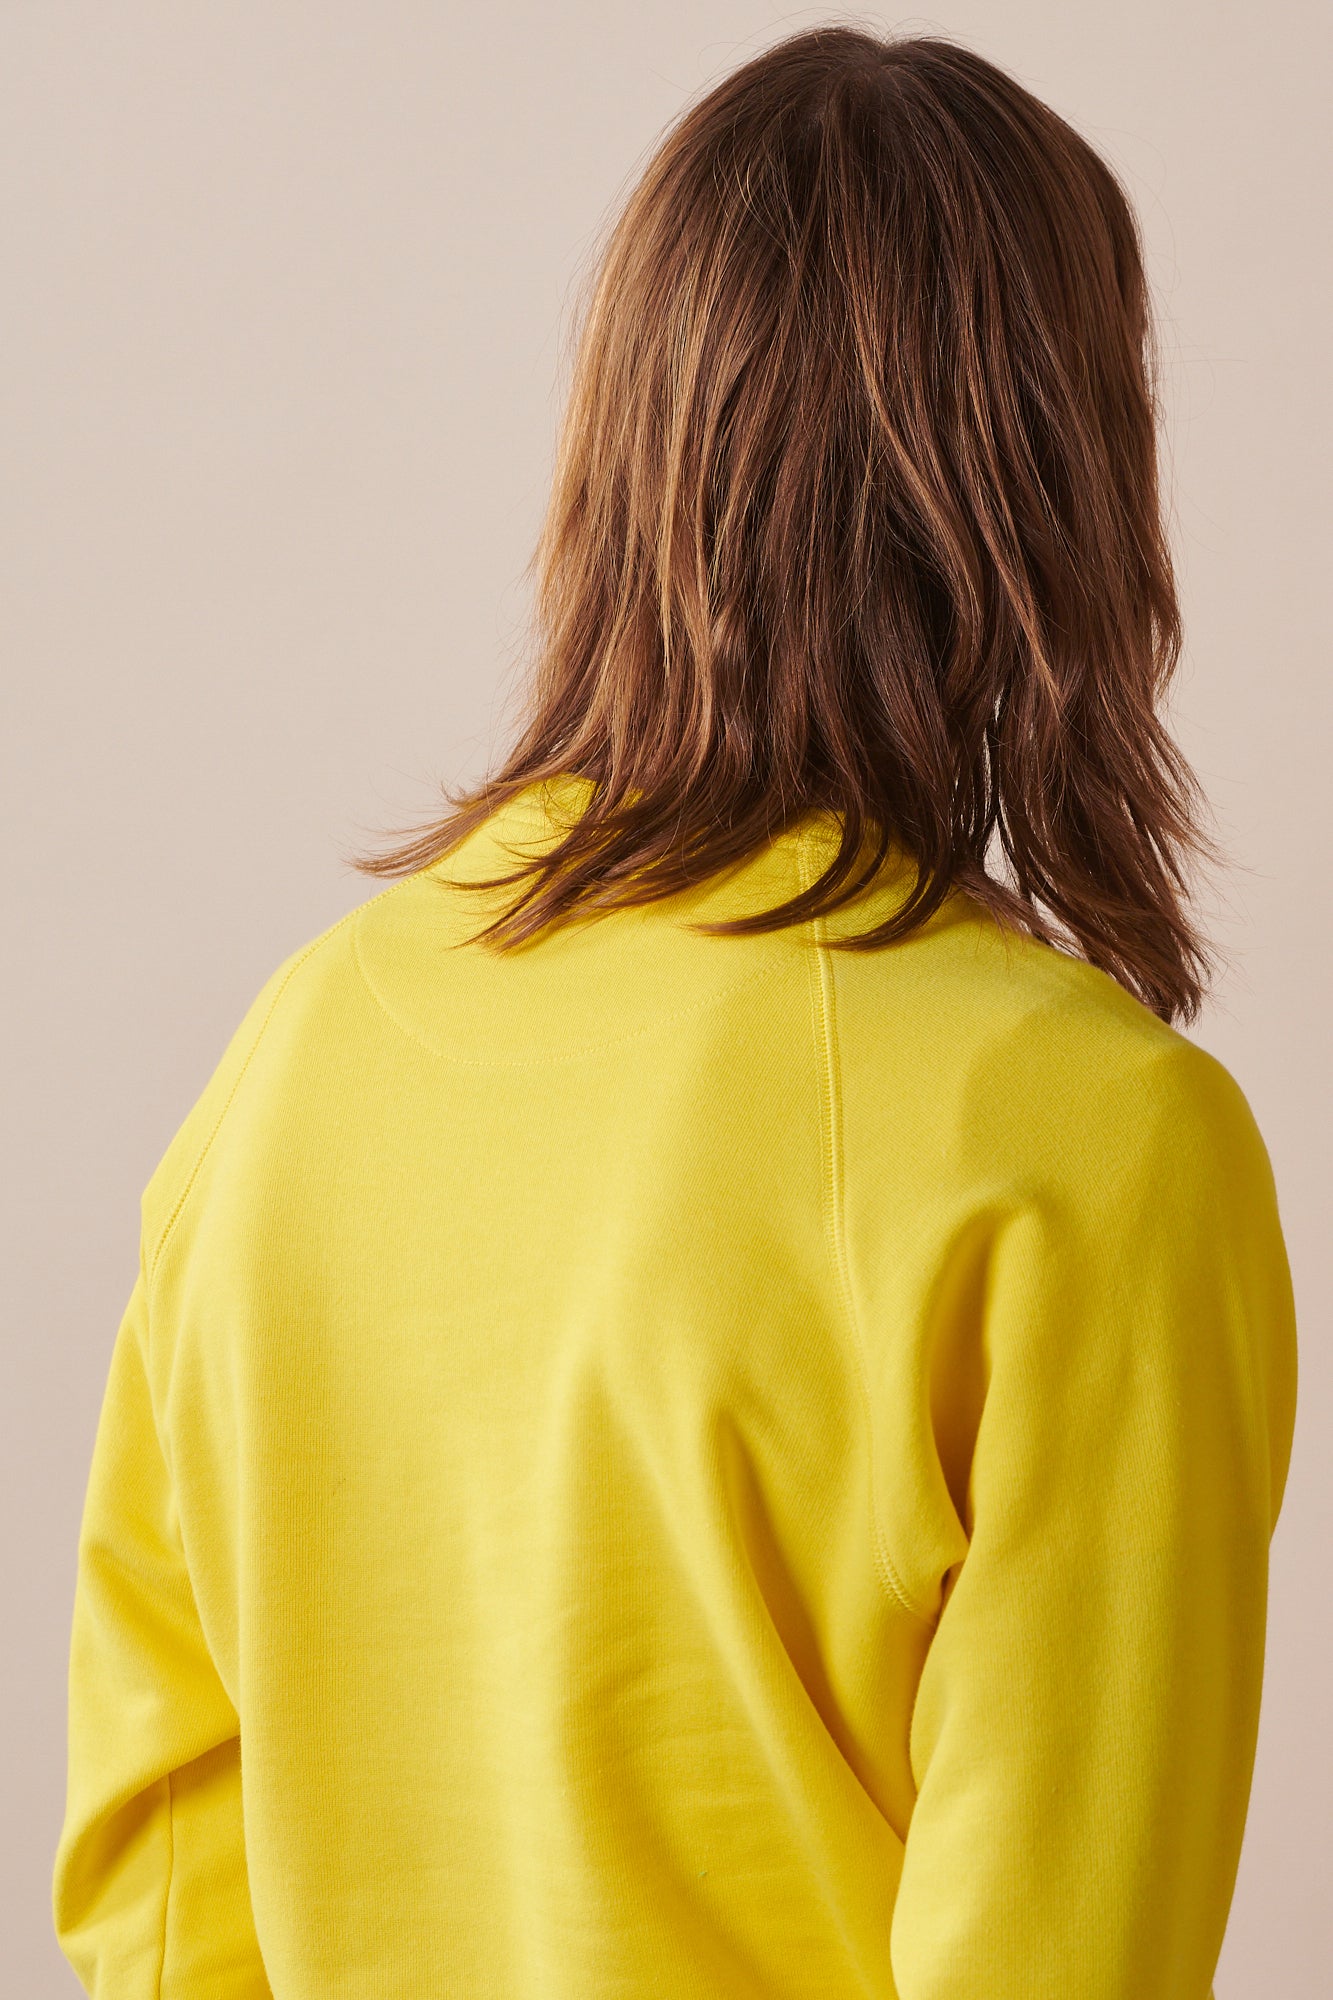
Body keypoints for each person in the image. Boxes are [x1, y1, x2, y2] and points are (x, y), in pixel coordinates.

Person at [53, 27, 1297, 2000]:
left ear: (627, 446)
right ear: (1061, 487)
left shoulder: (295, 1058)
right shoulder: (1097, 1152)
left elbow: (161, 1885)